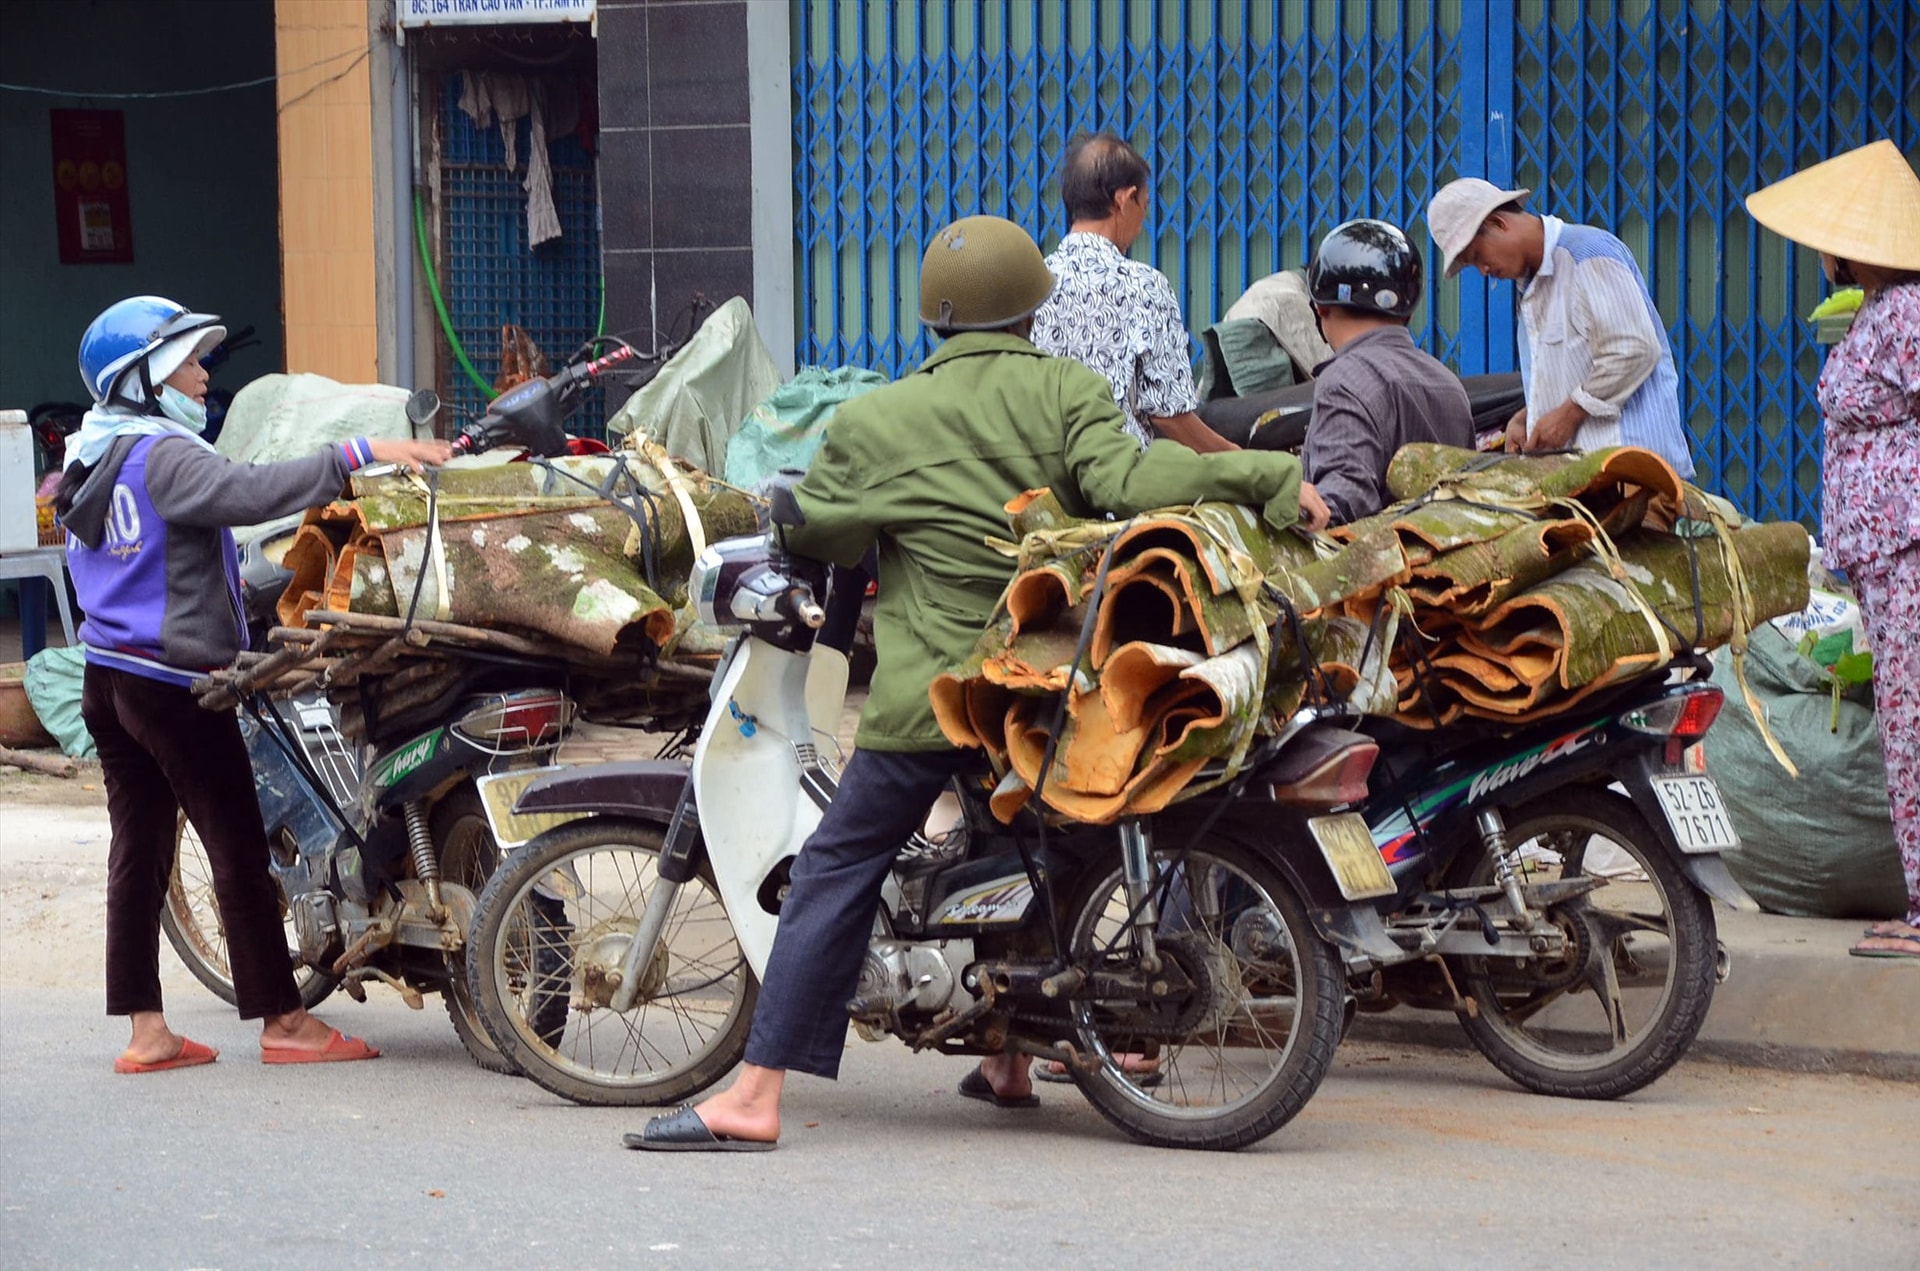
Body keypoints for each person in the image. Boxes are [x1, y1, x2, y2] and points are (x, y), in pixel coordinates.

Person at [624, 216, 1330, 1151]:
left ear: (935, 318)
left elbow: (822, 530)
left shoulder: (879, 418)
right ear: (1032, 307)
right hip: (1045, 691)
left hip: (932, 697)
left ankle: (753, 1095)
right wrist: (1266, 476)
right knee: (1015, 844)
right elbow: (1136, 474)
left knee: (837, 865)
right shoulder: (1068, 390)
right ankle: (1006, 1057)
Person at [57, 296, 452, 1071]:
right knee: (237, 845)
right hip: (172, 683)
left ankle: (146, 1031)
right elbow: (251, 492)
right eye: (187, 364)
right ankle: (284, 1019)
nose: (204, 376)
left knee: (138, 853)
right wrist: (361, 451)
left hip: (108, 678)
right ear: (142, 379)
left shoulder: (92, 456)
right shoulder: (163, 456)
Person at [1744, 140, 1920, 960]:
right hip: (1885, 550)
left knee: (1911, 721)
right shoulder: (1884, 313)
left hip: (1906, 546)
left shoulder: (1908, 315)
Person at [1426, 177, 1696, 479]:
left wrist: (1569, 414)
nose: (1484, 271)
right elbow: (1576, 376)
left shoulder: (1588, 254)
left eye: (1478, 257)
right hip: (1586, 480)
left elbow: (1633, 349)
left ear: (1499, 223)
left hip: (1632, 475)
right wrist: (1527, 417)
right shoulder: (1530, 287)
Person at [1029, 131, 1236, 454]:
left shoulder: (1032, 283)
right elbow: (1170, 414)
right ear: (1124, 200)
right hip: (1120, 484)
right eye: (1144, 205)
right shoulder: (1143, 286)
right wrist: (1241, 461)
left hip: (1043, 485)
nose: (1142, 222)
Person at [1299, 218, 1477, 524]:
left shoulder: (1342, 381)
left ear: (1321, 308)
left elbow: (1342, 501)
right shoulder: (1448, 382)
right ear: (1407, 313)